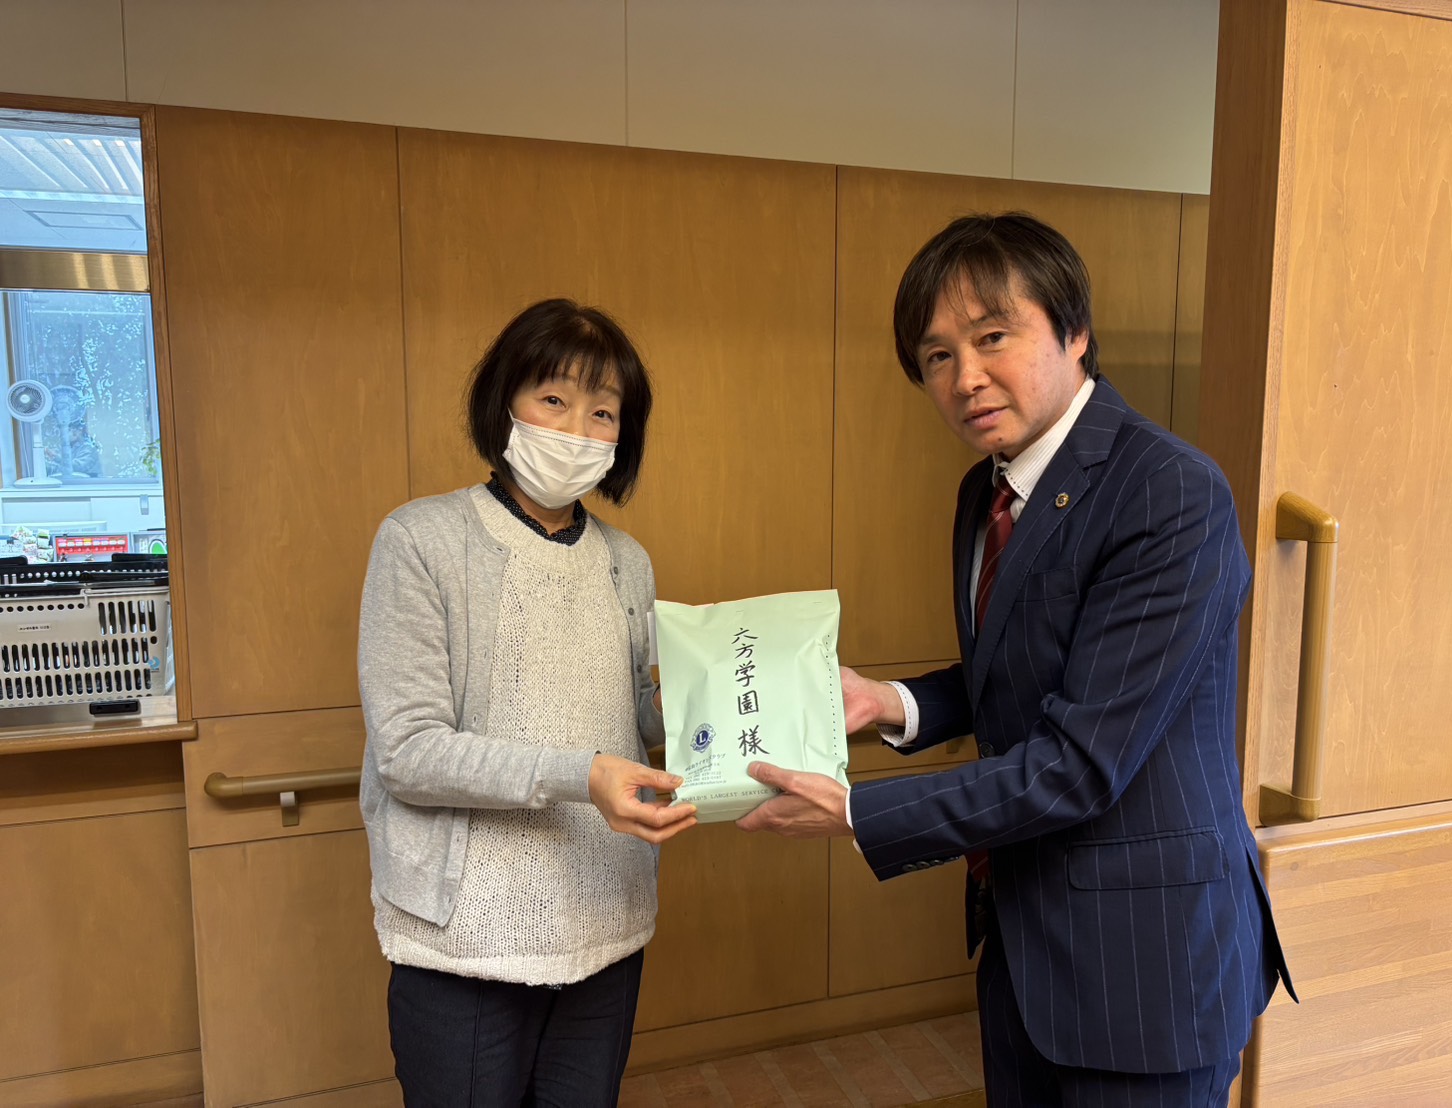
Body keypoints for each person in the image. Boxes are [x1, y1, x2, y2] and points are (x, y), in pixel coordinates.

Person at [737, 213, 1294, 1105]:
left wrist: (857, 812)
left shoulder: (1167, 490)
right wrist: (889, 703)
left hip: (1146, 964)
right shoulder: (985, 489)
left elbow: (1080, 762)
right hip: (1023, 946)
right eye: (937, 356)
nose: (964, 378)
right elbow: (1025, 673)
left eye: (992, 337)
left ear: (1074, 332)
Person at [358, 298, 696, 1107]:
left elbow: (641, 720)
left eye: (602, 412)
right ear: (502, 402)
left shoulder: (626, 561)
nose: (578, 430)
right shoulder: (420, 540)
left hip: (606, 919)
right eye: (553, 399)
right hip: (466, 939)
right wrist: (582, 774)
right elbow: (408, 751)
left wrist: (729, 693)